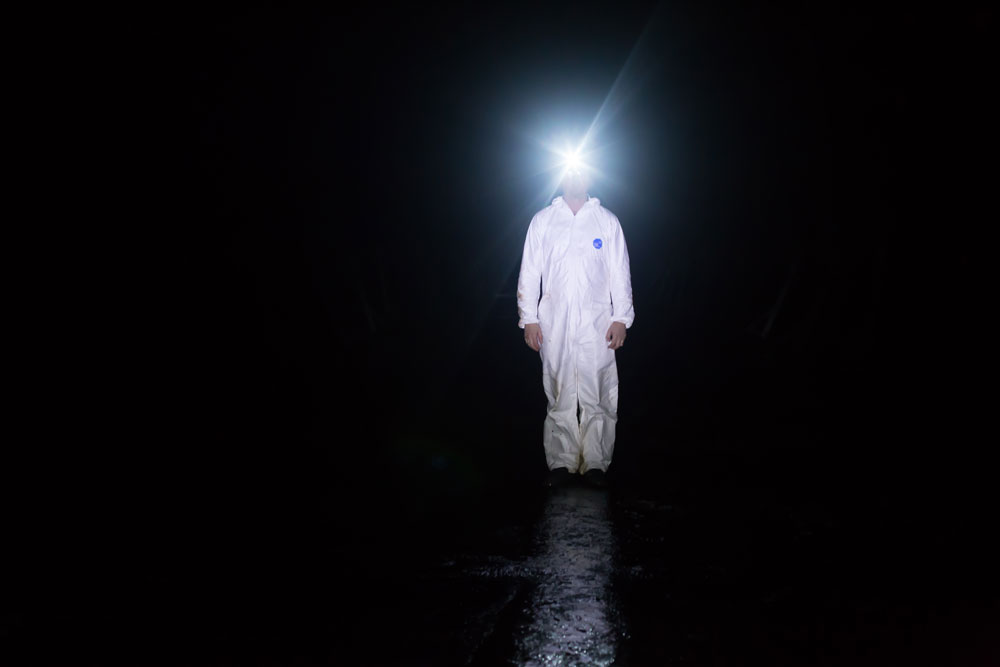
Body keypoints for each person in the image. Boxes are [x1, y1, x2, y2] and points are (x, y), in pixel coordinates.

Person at [517, 164, 634, 489]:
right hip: (555, 321)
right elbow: (530, 271)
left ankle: (596, 461)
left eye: (582, 171)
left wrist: (621, 318)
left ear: (591, 177)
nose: (576, 177)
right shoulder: (543, 221)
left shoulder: (606, 221)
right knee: (559, 389)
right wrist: (529, 318)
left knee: (598, 391)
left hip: (597, 320)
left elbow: (619, 272)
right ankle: (562, 461)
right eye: (570, 171)